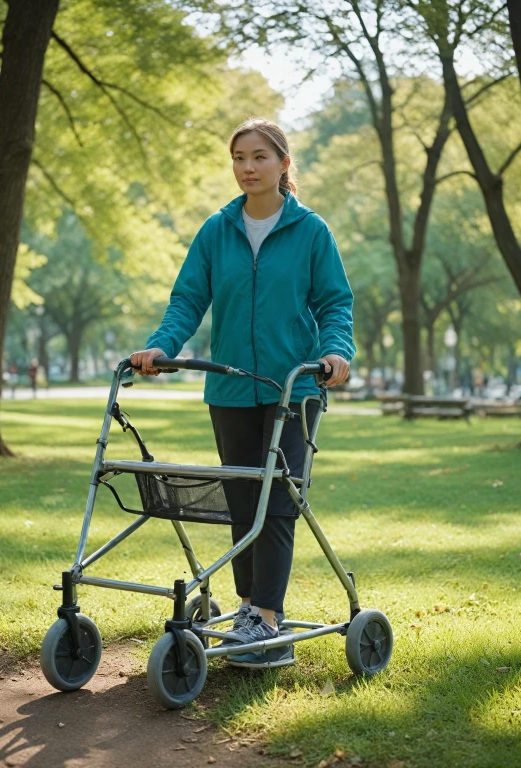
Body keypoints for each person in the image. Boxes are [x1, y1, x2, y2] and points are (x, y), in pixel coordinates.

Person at [131, 117, 355, 668]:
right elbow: (187, 299)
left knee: (277, 501)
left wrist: (335, 353)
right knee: (240, 501)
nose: (247, 168)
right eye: (238, 158)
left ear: (282, 163)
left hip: (293, 389)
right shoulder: (217, 230)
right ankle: (249, 607)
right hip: (229, 390)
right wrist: (160, 348)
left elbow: (334, 303)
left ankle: (269, 620)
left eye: (258, 157)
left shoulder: (311, 232)